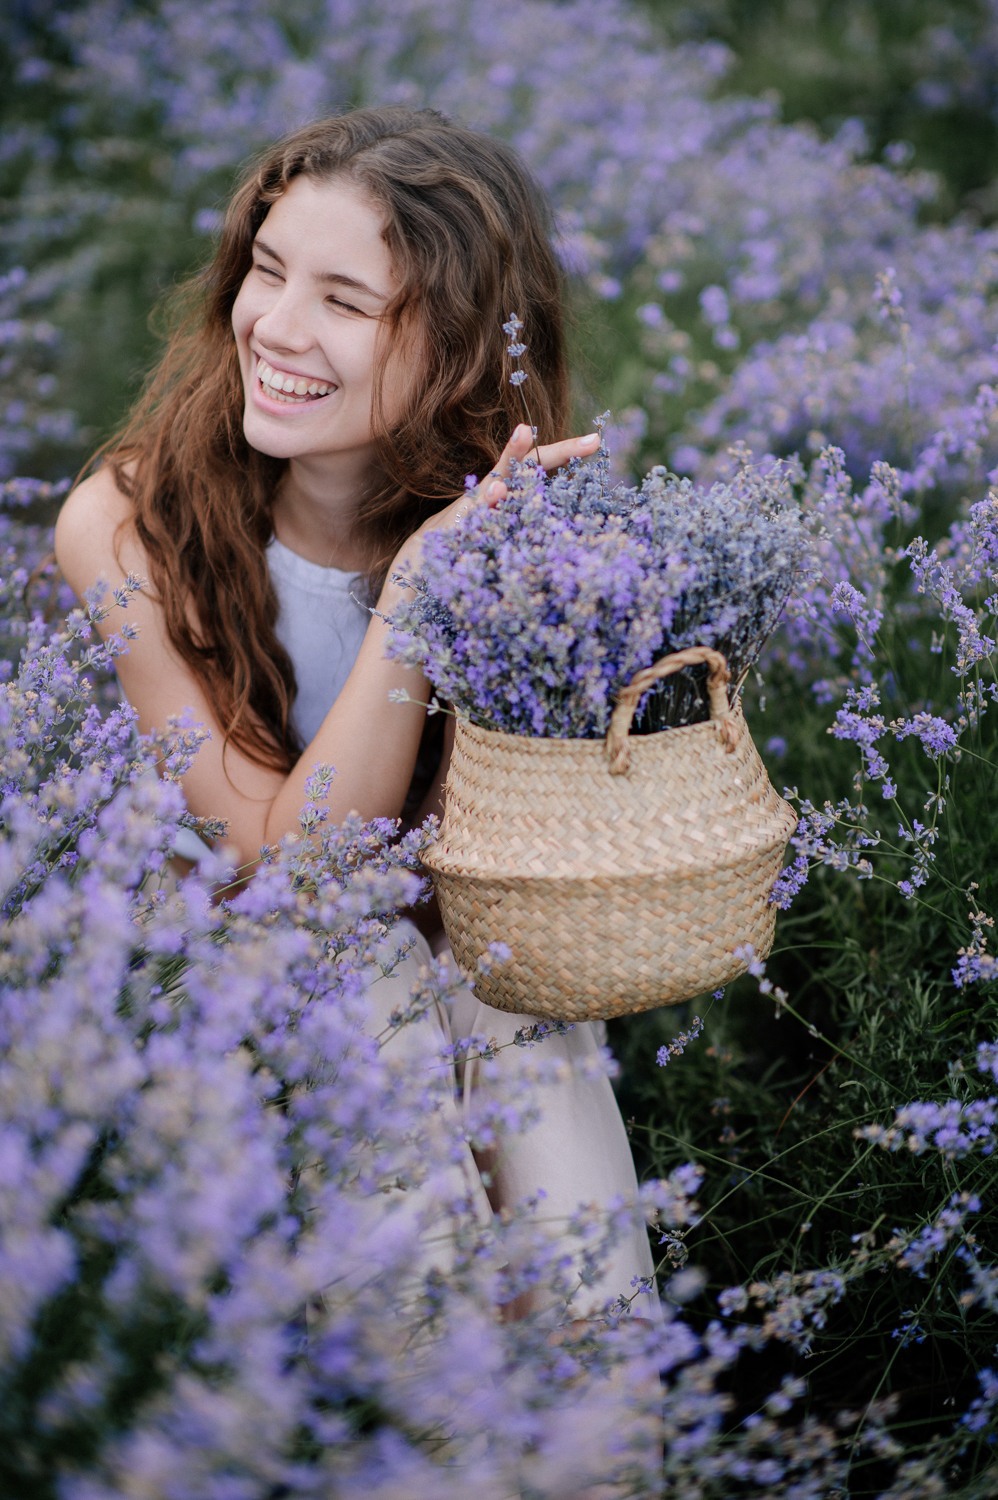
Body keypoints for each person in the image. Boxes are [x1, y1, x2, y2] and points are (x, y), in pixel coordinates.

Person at [55, 105, 656, 1325]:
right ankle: (435, 1410)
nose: (275, 326)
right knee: (374, 971)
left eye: (343, 299)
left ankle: (603, 1411)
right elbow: (289, 881)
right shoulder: (126, 524)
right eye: (266, 272)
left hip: (456, 973)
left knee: (507, 1018)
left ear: (454, 345)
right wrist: (417, 602)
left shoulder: (512, 537)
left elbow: (510, 883)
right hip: (233, 983)